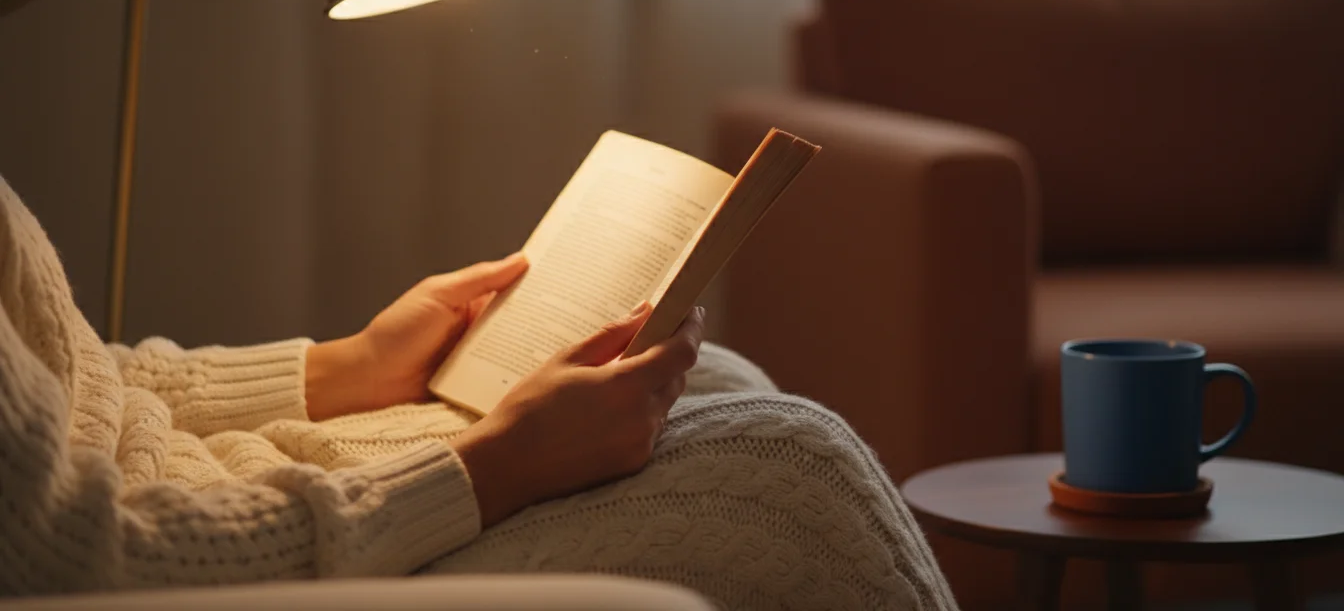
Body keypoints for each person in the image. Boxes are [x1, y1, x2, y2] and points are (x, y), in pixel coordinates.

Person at [0, 176, 956, 609]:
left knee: (716, 374)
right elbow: (76, 559)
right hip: (207, 545)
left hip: (182, 469)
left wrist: (345, 368)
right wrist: (495, 467)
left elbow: (73, 368)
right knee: (789, 470)